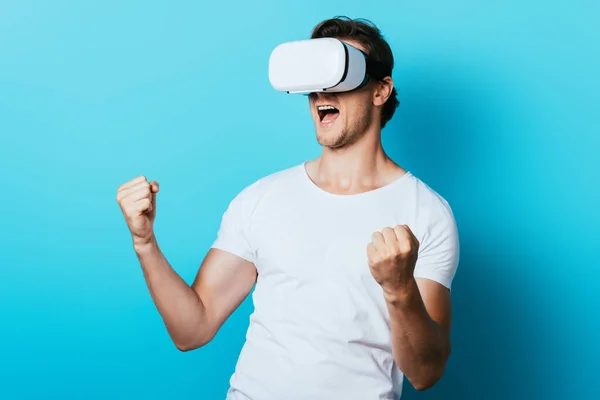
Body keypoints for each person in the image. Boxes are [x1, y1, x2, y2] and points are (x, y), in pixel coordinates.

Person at [116, 16, 459, 400]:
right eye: (315, 81)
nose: (322, 93)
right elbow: (191, 330)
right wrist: (145, 242)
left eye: (340, 77)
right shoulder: (261, 199)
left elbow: (426, 373)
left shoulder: (425, 212)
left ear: (380, 91)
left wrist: (399, 289)